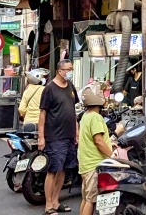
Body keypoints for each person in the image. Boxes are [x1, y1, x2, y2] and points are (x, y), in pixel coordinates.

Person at [38, 60, 80, 215]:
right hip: (55, 137)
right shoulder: (49, 89)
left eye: (71, 69)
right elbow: (42, 114)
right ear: (59, 70)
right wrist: (41, 137)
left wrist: (76, 131)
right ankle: (48, 205)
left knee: (63, 170)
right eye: (68, 69)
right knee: (53, 170)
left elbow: (73, 111)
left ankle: (56, 201)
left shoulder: (70, 87)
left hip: (69, 136)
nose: (70, 72)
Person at [77, 85, 114, 215]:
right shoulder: (96, 118)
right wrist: (112, 156)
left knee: (86, 198)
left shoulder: (85, 116)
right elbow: (98, 141)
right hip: (95, 165)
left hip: (85, 164)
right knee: (91, 200)